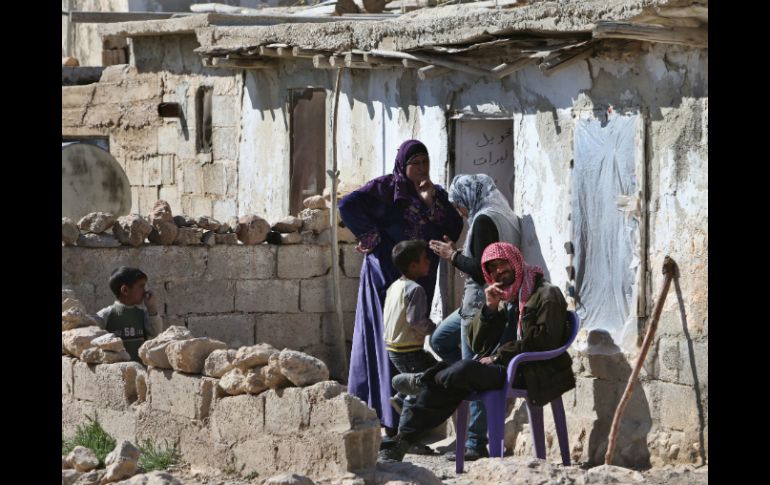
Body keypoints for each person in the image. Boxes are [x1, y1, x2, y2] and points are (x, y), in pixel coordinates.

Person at [378, 242, 575, 463]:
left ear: (515, 261)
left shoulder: (546, 294)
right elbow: (477, 343)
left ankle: (425, 383)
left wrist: (498, 356)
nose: (498, 271)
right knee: (451, 380)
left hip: (529, 370)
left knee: (461, 370)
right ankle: (402, 440)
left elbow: (543, 341)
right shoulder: (506, 297)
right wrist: (489, 309)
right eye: (492, 268)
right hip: (502, 366)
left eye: (502, 264)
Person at [339, 139, 464, 432]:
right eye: (414, 164)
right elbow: (347, 205)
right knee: (387, 339)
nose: (421, 169)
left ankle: (402, 419)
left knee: (410, 341)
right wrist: (373, 239)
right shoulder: (385, 189)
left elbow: (454, 228)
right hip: (384, 276)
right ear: (402, 166)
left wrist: (430, 203)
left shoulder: (435, 194)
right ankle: (384, 416)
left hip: (420, 278)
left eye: (425, 162)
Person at [427, 173, 521, 460]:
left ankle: (474, 443)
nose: (460, 212)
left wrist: (452, 255)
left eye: (459, 205)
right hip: (478, 303)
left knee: (474, 369)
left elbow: (483, 271)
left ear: (469, 197)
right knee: (441, 339)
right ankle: (464, 381)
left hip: (483, 303)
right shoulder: (503, 214)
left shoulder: (483, 220)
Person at [384, 240, 438, 415]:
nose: (428, 261)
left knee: (434, 370)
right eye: (425, 259)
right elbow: (415, 321)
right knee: (427, 382)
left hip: (395, 349)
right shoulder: (415, 290)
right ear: (414, 266)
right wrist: (434, 328)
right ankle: (405, 406)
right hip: (408, 352)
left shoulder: (394, 286)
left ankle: (401, 397)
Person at [95, 267, 163, 362]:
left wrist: (151, 307)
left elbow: (155, 332)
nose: (145, 291)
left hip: (140, 369)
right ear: (125, 290)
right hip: (117, 370)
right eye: (141, 286)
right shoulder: (106, 315)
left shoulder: (142, 314)